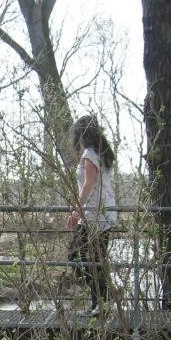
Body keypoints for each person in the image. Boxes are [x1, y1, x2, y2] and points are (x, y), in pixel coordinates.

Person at [65, 115, 117, 316]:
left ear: (80, 135)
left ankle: (100, 303)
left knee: (80, 256)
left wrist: (76, 212)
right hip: (99, 212)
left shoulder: (89, 154)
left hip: (96, 213)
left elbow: (88, 184)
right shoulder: (99, 152)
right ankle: (100, 303)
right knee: (92, 258)